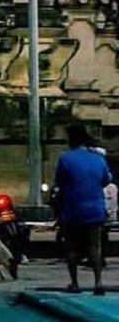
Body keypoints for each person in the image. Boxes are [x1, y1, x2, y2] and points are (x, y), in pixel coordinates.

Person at [54, 124, 112, 295]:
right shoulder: (98, 159)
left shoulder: (65, 159)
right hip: (95, 208)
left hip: (72, 208)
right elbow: (106, 180)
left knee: (71, 247)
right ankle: (98, 282)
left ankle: (75, 283)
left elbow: (59, 183)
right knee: (94, 246)